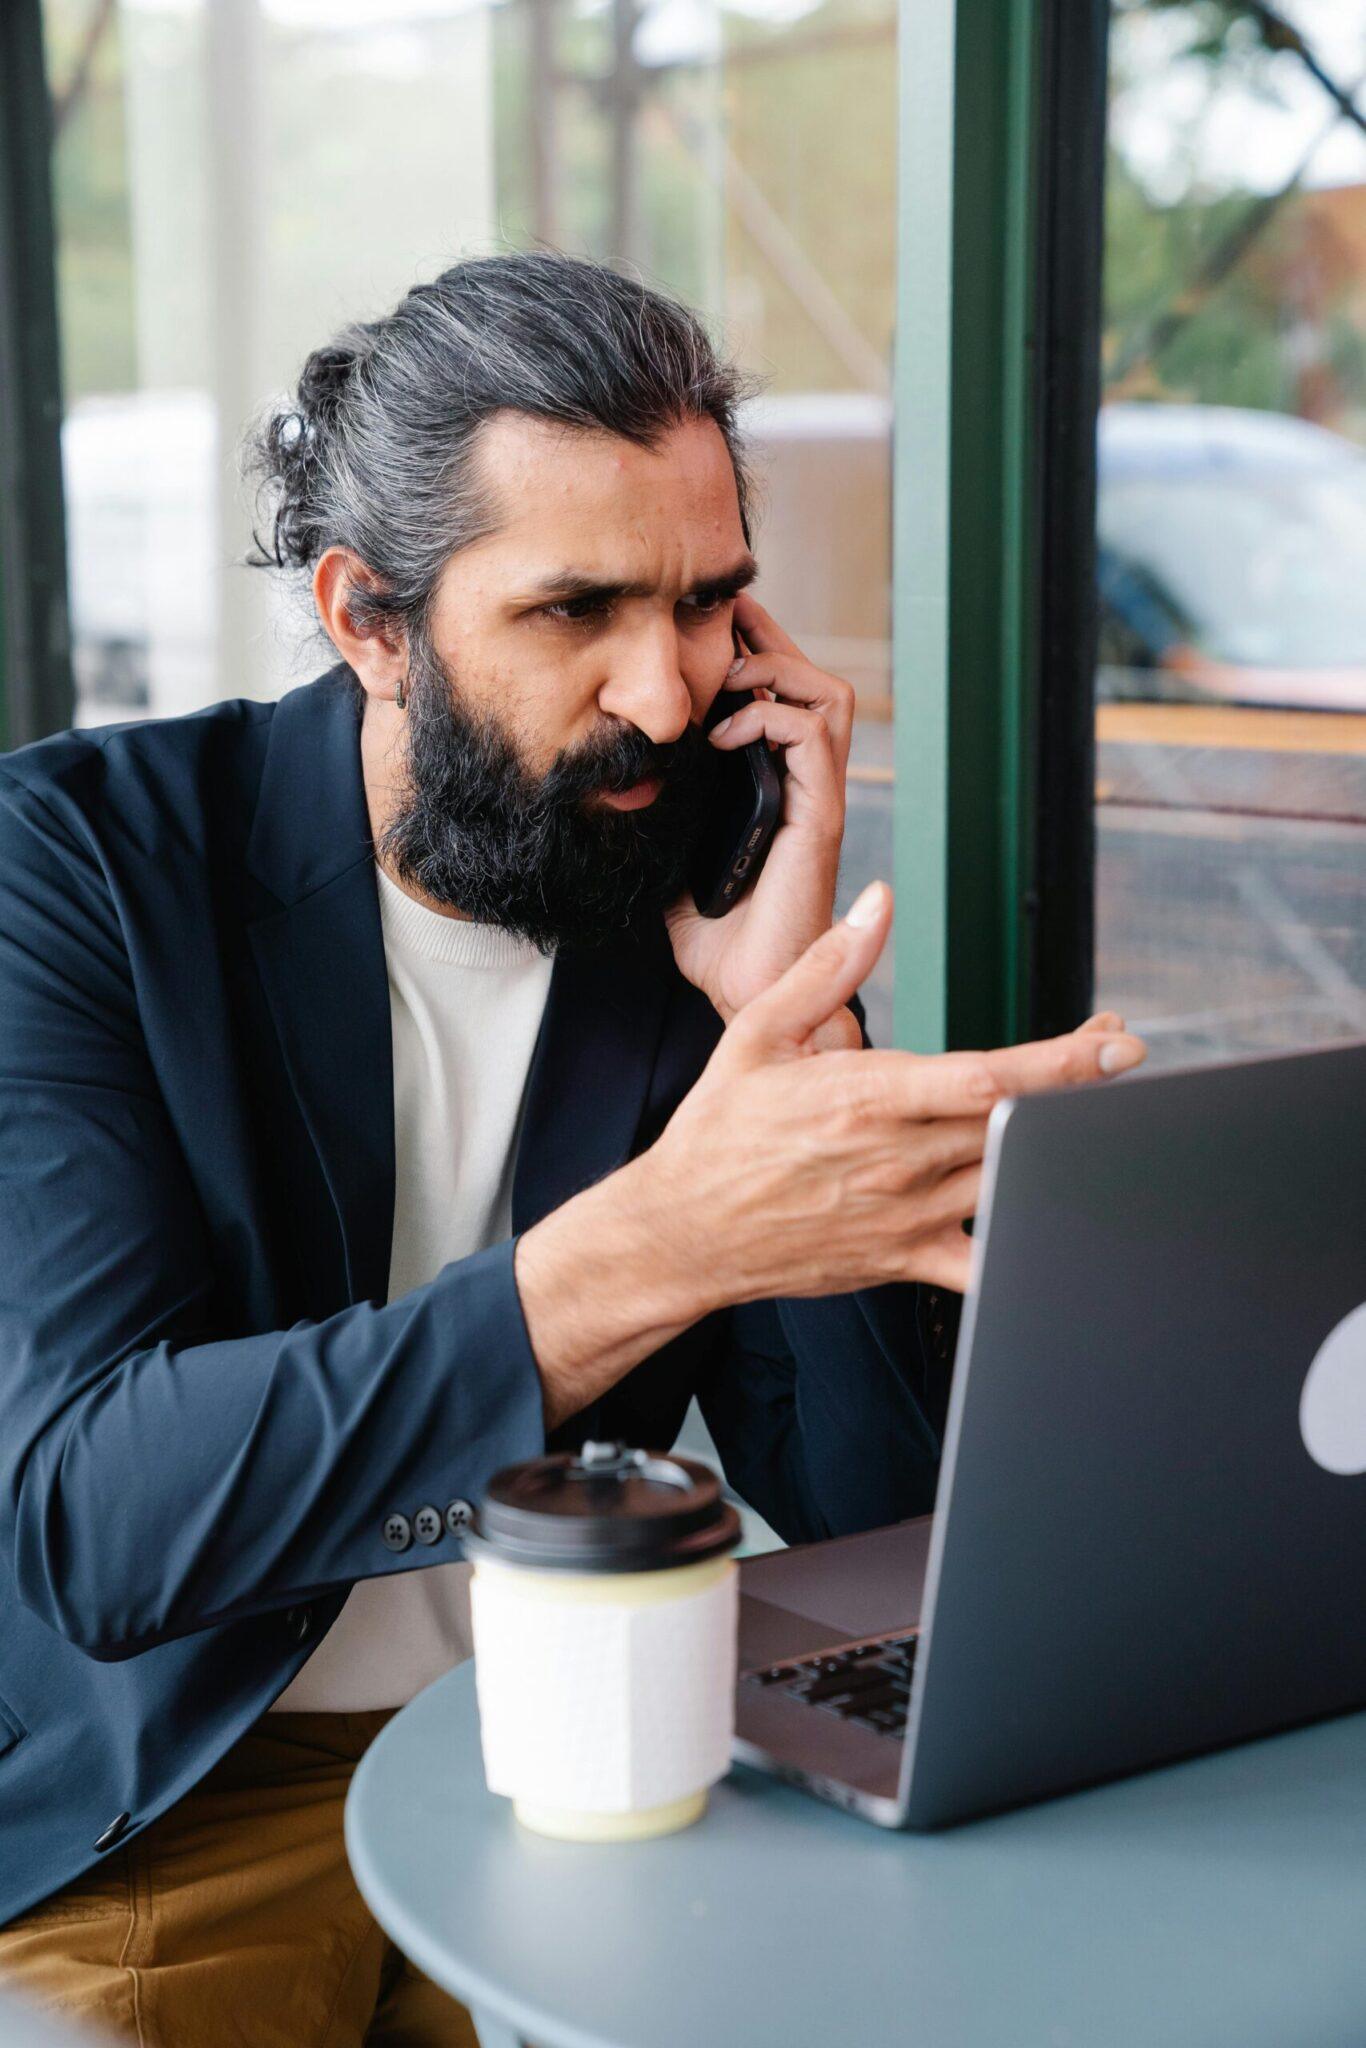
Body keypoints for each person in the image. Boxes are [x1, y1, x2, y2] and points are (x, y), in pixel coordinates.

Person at [0, 252, 1145, 2044]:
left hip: (595, 1769)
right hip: (167, 1802)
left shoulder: (668, 892)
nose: (672, 696)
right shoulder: (73, 865)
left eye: (708, 605)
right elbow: (99, 1524)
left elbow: (882, 1521)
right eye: (577, 612)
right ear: (366, 620)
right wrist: (667, 1239)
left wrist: (792, 1030)